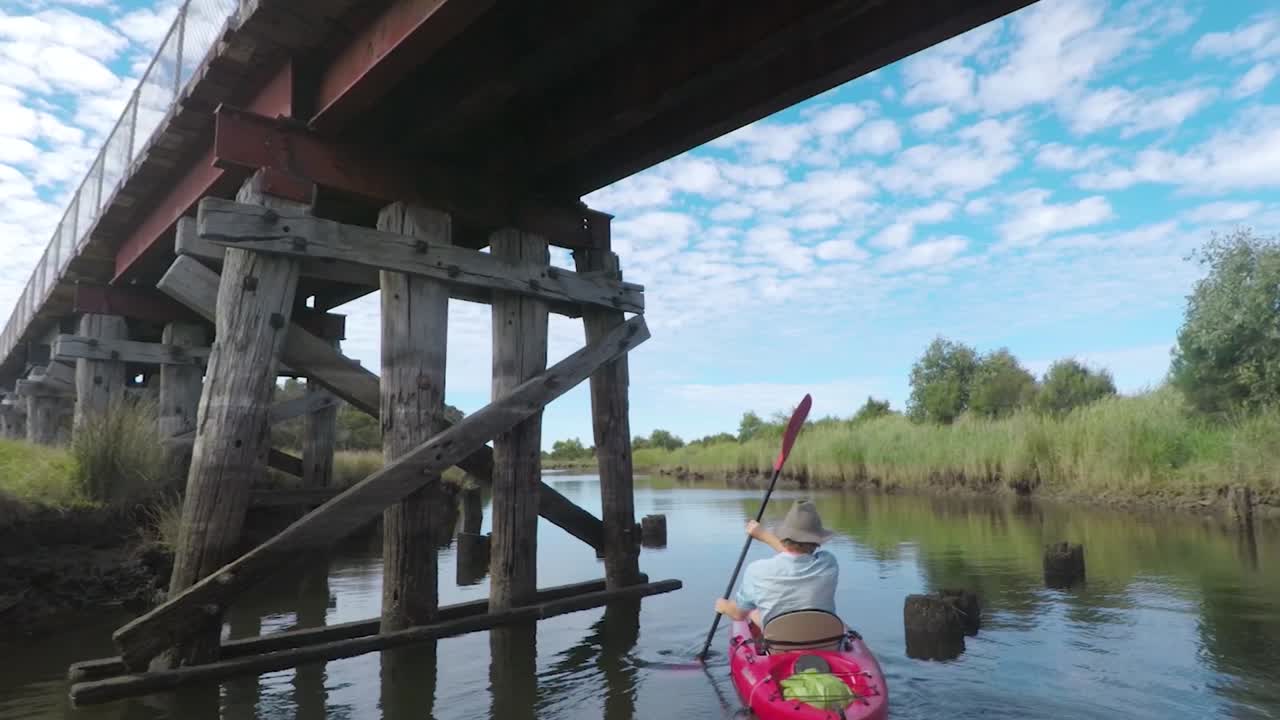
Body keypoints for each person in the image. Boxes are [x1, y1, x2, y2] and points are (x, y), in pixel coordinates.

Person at [713, 499, 839, 629]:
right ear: (817, 541)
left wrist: (724, 606)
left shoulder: (756, 570)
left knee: (753, 612)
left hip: (779, 646)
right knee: (755, 613)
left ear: (783, 536)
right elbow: (798, 557)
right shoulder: (828, 563)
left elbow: (739, 614)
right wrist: (764, 536)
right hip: (826, 643)